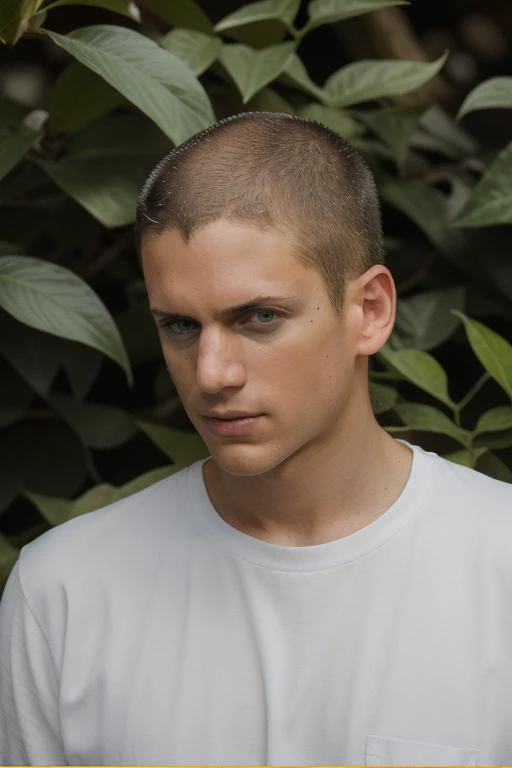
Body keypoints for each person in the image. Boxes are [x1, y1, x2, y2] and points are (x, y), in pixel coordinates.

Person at [0, 112, 511, 767]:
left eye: (259, 317)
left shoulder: (500, 566)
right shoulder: (65, 591)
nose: (212, 374)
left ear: (371, 311)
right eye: (180, 326)